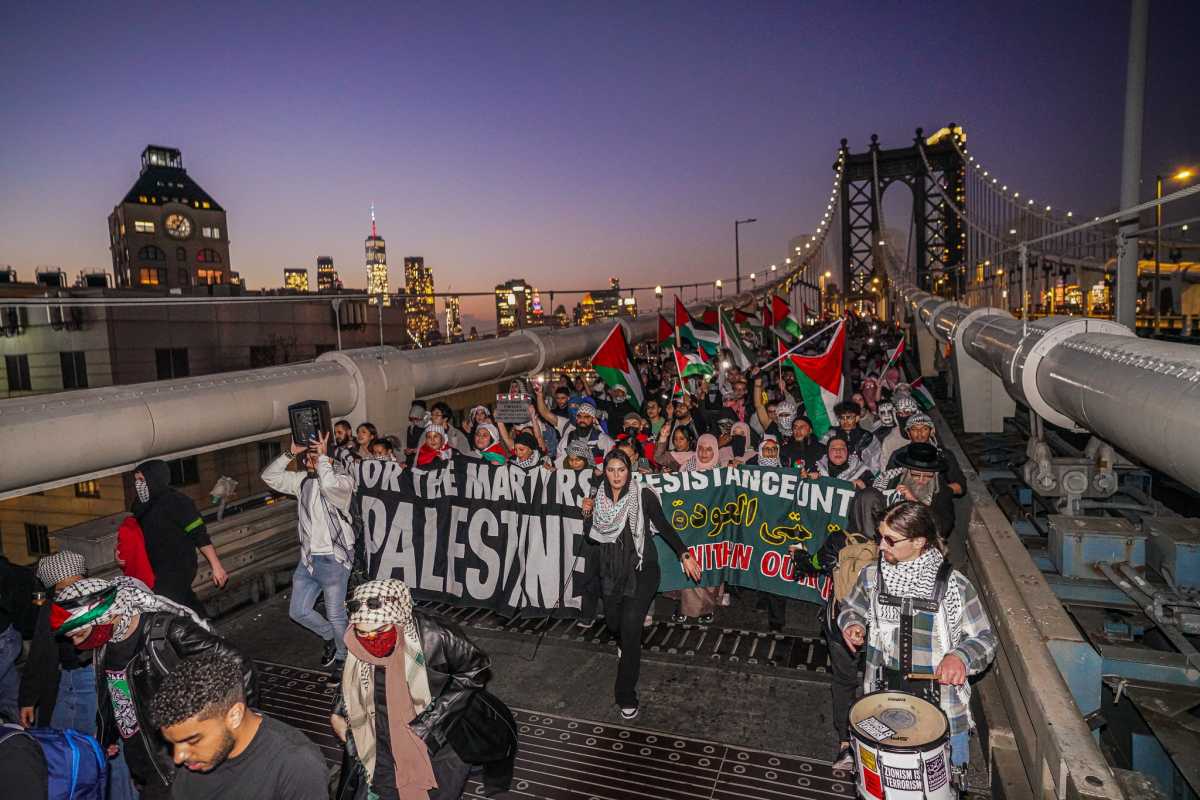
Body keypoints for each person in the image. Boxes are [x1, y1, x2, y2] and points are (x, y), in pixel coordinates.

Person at [51, 576, 255, 799]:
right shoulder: (105, 645)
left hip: (181, 762)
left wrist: (238, 729)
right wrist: (104, 738)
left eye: (80, 634)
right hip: (144, 764)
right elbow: (115, 696)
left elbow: (238, 665)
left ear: (106, 615)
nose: (76, 644)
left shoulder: (168, 632)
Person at [838, 502, 996, 772]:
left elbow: (985, 639)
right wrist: (853, 623)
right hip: (881, 702)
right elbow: (852, 607)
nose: (881, 546)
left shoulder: (954, 586)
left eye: (890, 540)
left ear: (919, 542)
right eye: (880, 536)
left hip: (942, 710)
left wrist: (960, 657)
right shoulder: (872, 577)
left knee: (944, 783)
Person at [330, 579, 516, 800]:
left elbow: (476, 669)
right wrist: (339, 711)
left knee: (439, 790)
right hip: (380, 730)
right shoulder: (355, 640)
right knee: (384, 787)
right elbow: (349, 676)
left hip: (440, 734)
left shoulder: (435, 634)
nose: (371, 639)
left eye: (380, 630)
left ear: (399, 619)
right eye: (363, 633)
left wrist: (430, 720)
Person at [581, 451, 702, 719]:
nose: (616, 476)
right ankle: (624, 642)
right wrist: (587, 513)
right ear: (605, 472)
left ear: (629, 470)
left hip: (642, 570)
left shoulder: (643, 495)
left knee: (631, 629)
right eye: (611, 470)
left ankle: (626, 695)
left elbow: (664, 526)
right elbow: (590, 539)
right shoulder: (599, 499)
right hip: (611, 573)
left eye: (621, 470)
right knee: (614, 624)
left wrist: (684, 554)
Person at [153, 653, 329, 800]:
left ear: (234, 715)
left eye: (193, 741)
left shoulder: (297, 765)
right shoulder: (194, 755)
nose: (178, 757)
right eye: (172, 743)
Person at [261, 430, 356, 669]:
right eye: (308, 456)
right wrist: (290, 453)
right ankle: (330, 636)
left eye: (316, 456)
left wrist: (323, 458)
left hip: (334, 560)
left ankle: (345, 658)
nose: (309, 460)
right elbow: (269, 477)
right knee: (299, 611)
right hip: (309, 559)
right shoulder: (302, 481)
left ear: (329, 458)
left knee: (336, 615)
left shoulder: (344, 481)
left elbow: (330, 486)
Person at [131, 459, 228, 616]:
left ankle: (200, 626)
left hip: (177, 566)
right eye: (136, 481)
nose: (138, 485)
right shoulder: (140, 506)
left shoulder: (178, 502)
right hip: (154, 567)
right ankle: (204, 626)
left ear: (154, 478)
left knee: (167, 607)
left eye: (142, 480)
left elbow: (199, 534)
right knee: (185, 603)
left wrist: (216, 566)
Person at [873, 442, 956, 536]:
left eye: (928, 476)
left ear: (935, 474)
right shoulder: (891, 481)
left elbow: (943, 528)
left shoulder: (943, 491)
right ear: (907, 471)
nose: (921, 480)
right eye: (916, 475)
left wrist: (916, 502)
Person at [888, 413, 965, 496]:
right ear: (908, 433)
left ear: (932, 431)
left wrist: (936, 492)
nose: (919, 433)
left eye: (924, 429)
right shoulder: (899, 456)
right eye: (914, 429)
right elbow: (888, 484)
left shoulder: (943, 455)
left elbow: (961, 486)